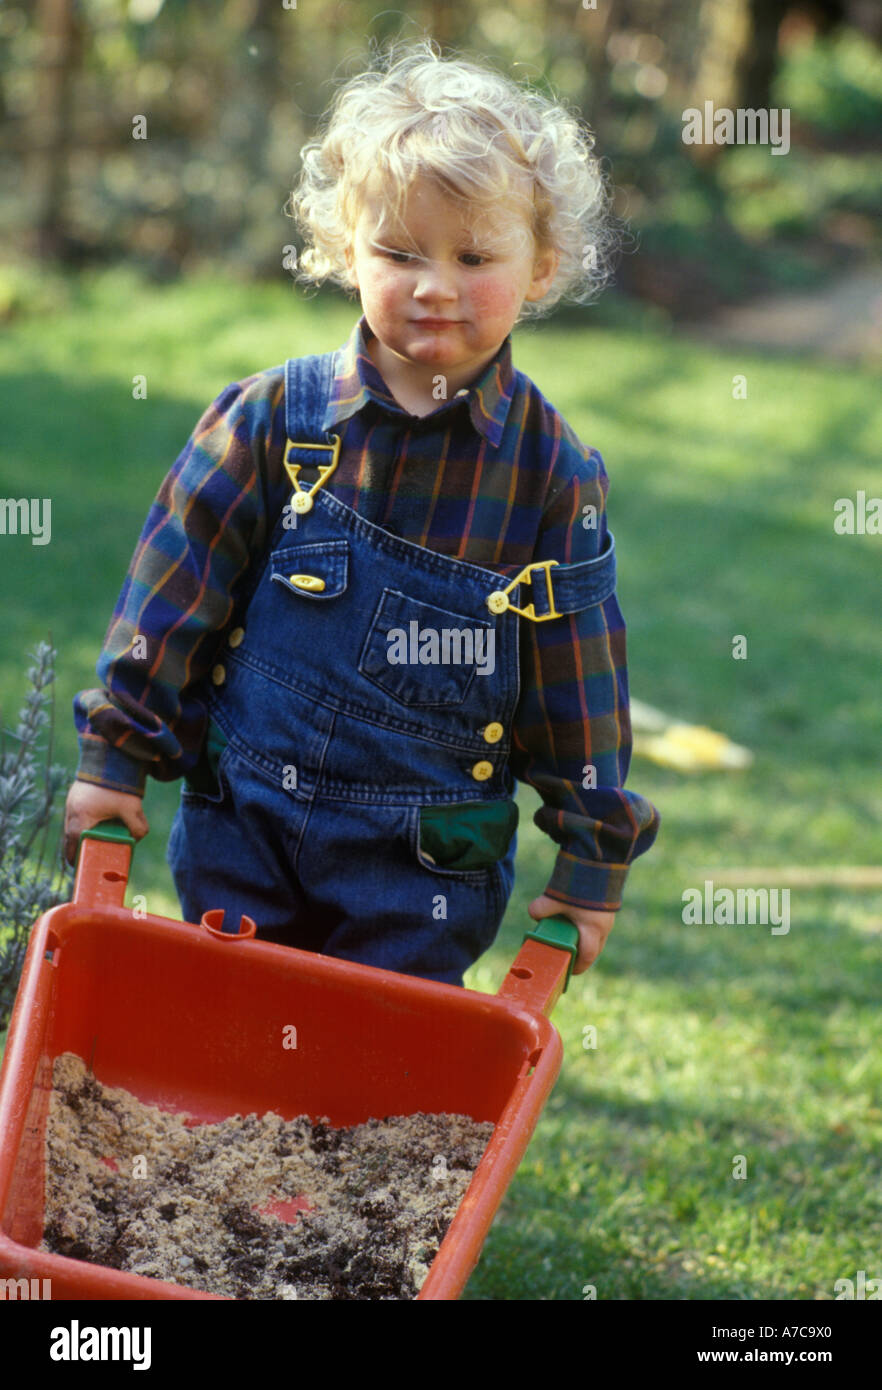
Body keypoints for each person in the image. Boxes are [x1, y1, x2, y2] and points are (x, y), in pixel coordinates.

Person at [64, 39, 660, 987]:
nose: (433, 285)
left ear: (541, 266)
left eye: (475, 255)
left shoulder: (551, 475)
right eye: (397, 251)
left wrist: (593, 862)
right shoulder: (269, 421)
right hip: (245, 834)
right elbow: (169, 602)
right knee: (226, 1030)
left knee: (382, 1081)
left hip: (422, 876)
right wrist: (115, 756)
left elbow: (577, 684)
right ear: (346, 251)